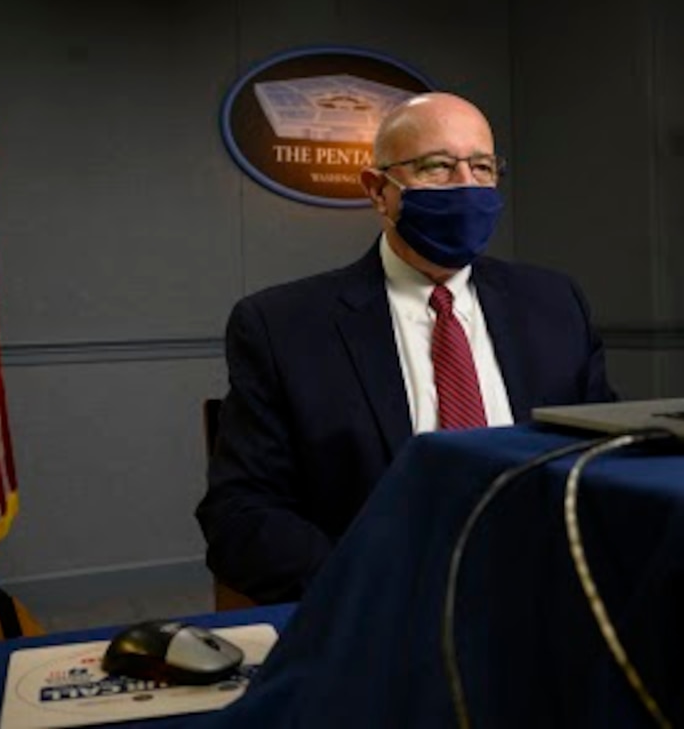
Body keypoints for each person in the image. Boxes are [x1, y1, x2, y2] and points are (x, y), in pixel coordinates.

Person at [195, 92, 616, 604]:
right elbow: (241, 512)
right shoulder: (282, 326)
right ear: (378, 191)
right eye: (437, 167)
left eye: (482, 167)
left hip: (547, 589)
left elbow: (606, 462)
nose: (466, 186)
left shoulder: (555, 304)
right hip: (386, 603)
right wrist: (376, 589)